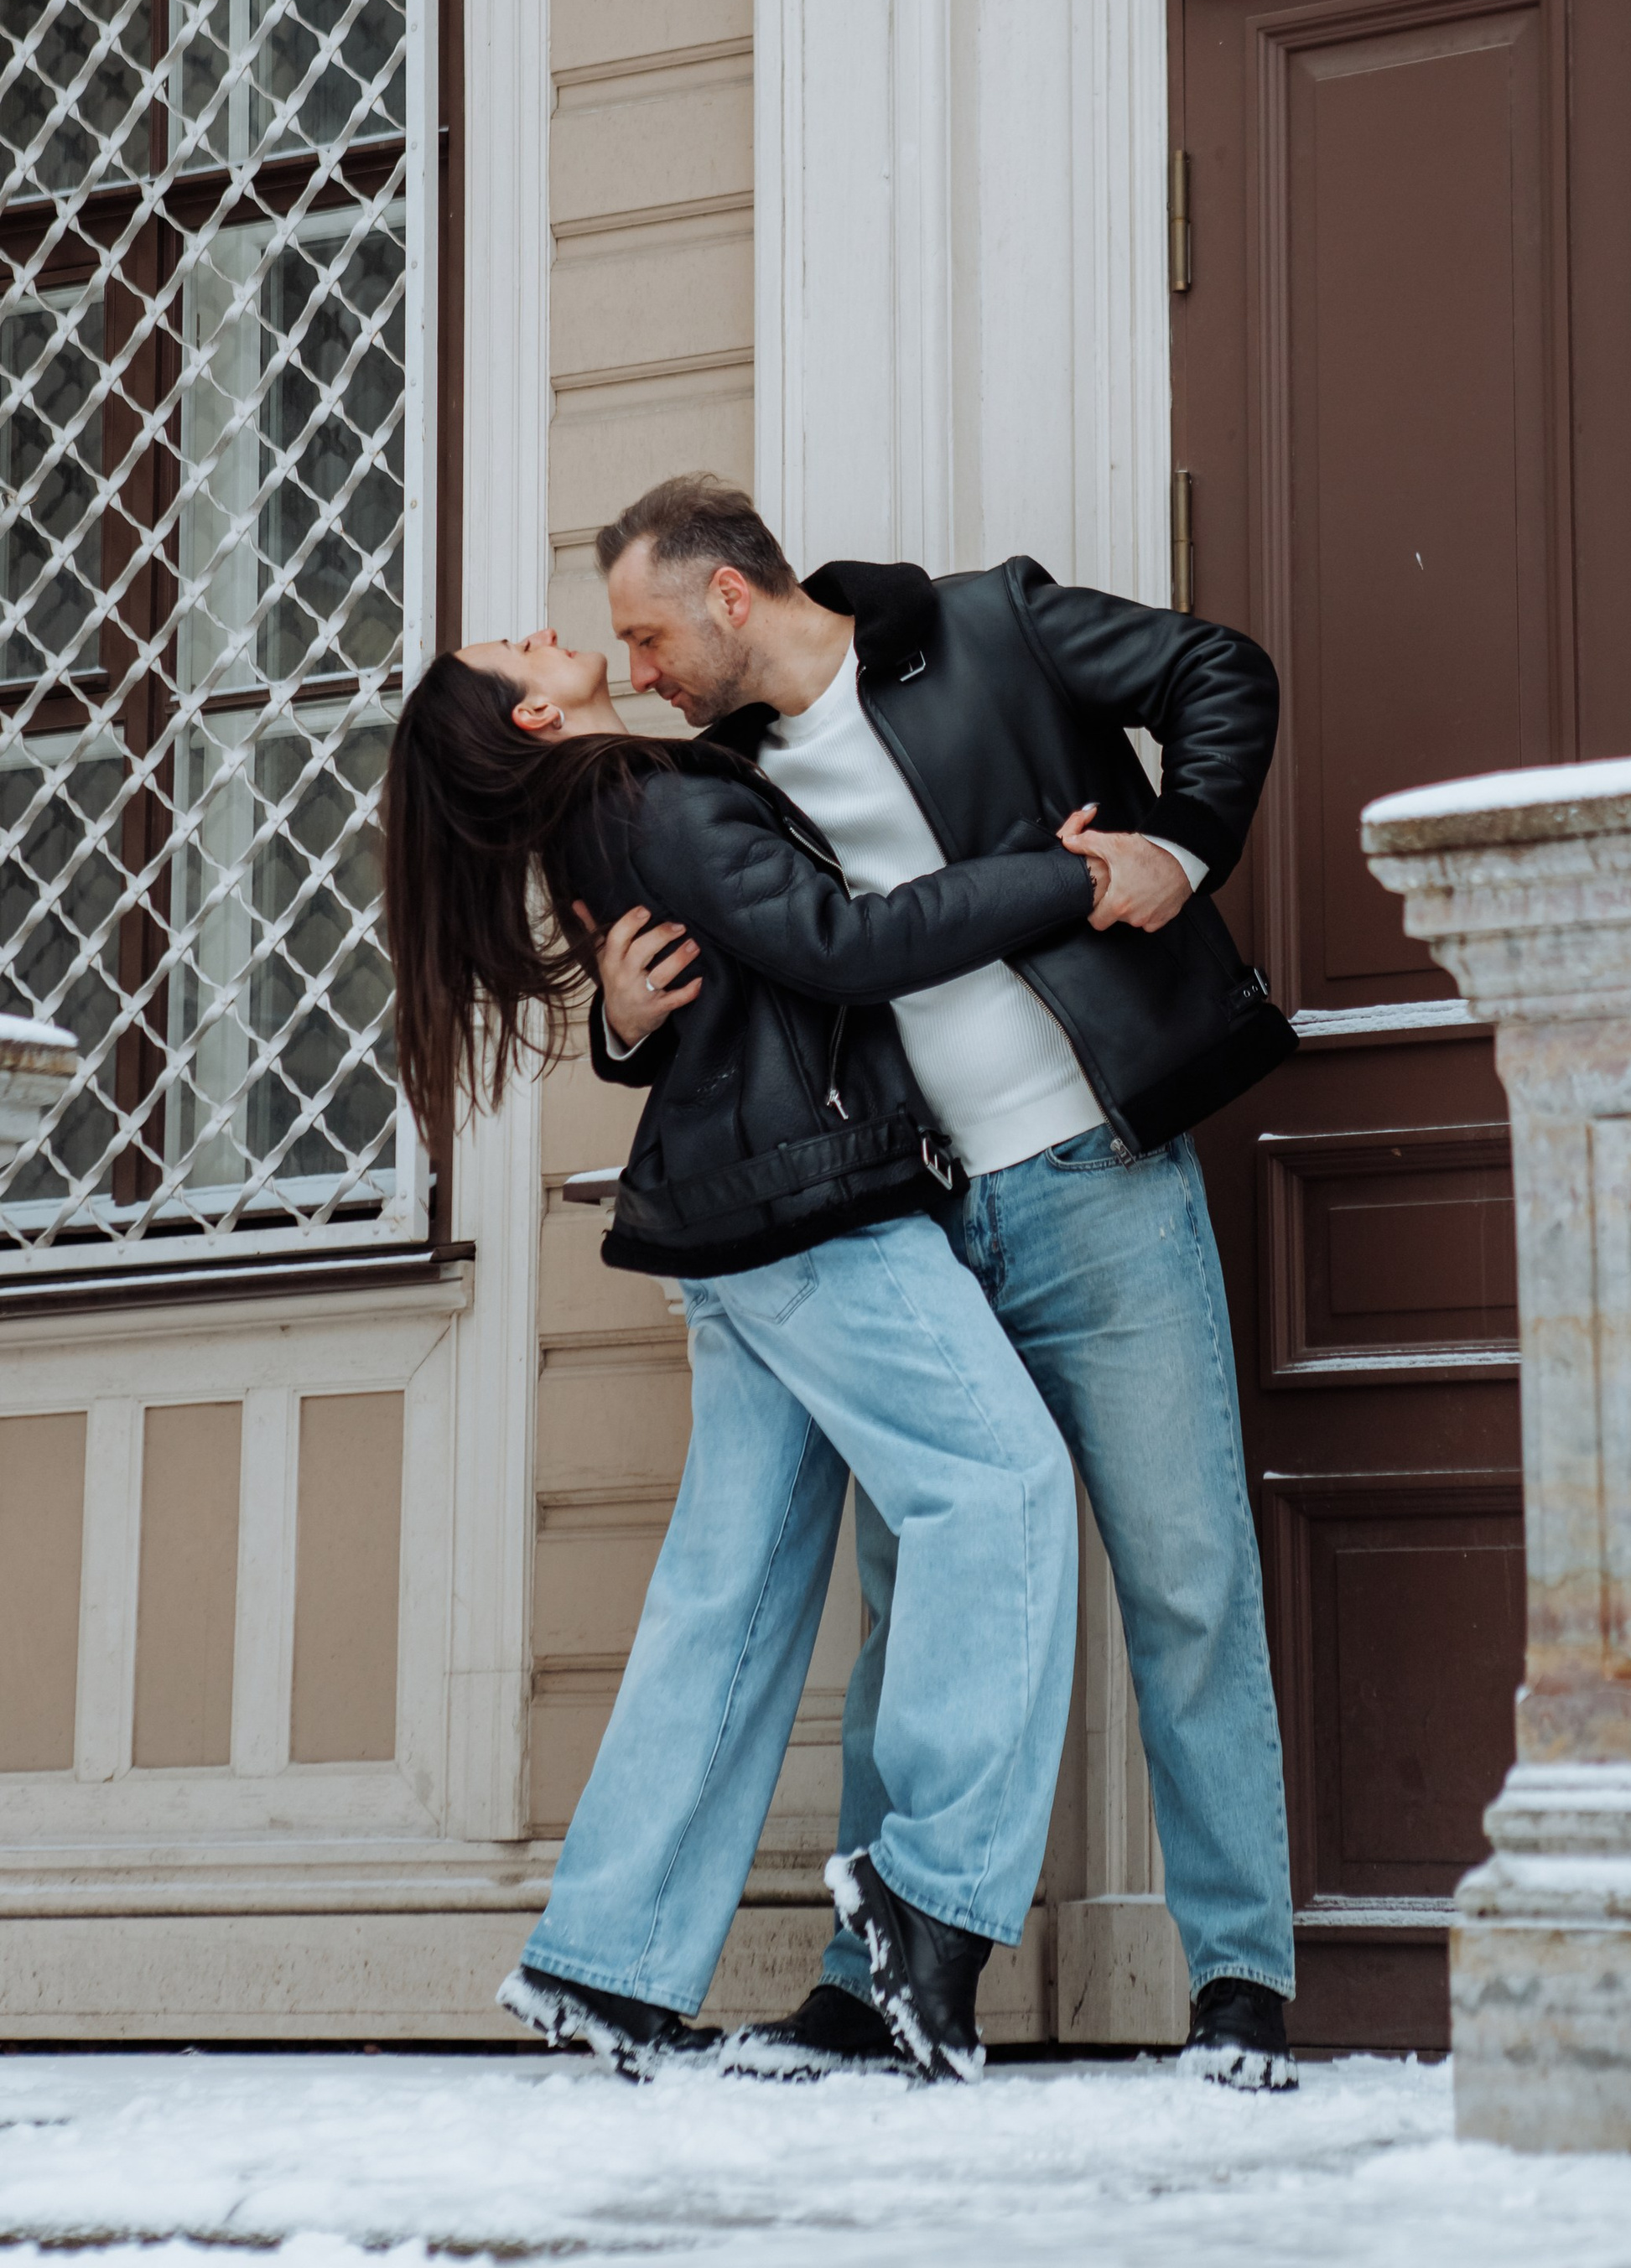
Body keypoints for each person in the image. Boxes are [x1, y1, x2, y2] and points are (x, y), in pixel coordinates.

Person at [587, 477, 1302, 2092]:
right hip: (905, 1222)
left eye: (645, 635)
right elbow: (732, 1008)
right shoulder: (723, 786)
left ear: (724, 597)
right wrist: (621, 1028)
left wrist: (1183, 844)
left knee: (1188, 1577)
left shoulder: (986, 625)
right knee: (915, 1608)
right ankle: (875, 1983)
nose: (637, 673)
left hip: (1092, 1177)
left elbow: (1222, 671)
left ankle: (1242, 1983)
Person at [379, 625, 1143, 2082]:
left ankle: (607, 1959)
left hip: (735, 1223)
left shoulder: (619, 812)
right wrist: (1072, 871)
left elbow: (728, 986)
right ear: (538, 712)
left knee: (727, 1593)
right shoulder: (653, 803)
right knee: (1005, 1491)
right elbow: (843, 945)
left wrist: (620, 1027)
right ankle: (931, 1906)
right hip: (811, 1220)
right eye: (520, 645)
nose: (552, 628)